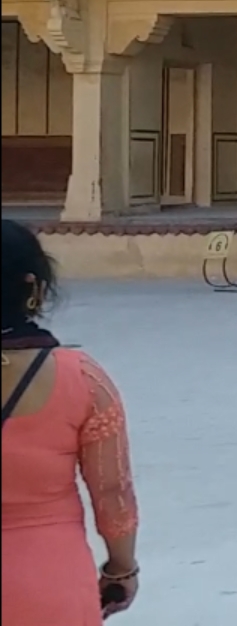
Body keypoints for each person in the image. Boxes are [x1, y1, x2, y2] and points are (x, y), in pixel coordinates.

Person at [2, 219, 141, 623]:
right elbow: (113, 492)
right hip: (49, 585)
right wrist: (122, 569)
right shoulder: (83, 379)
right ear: (34, 288)